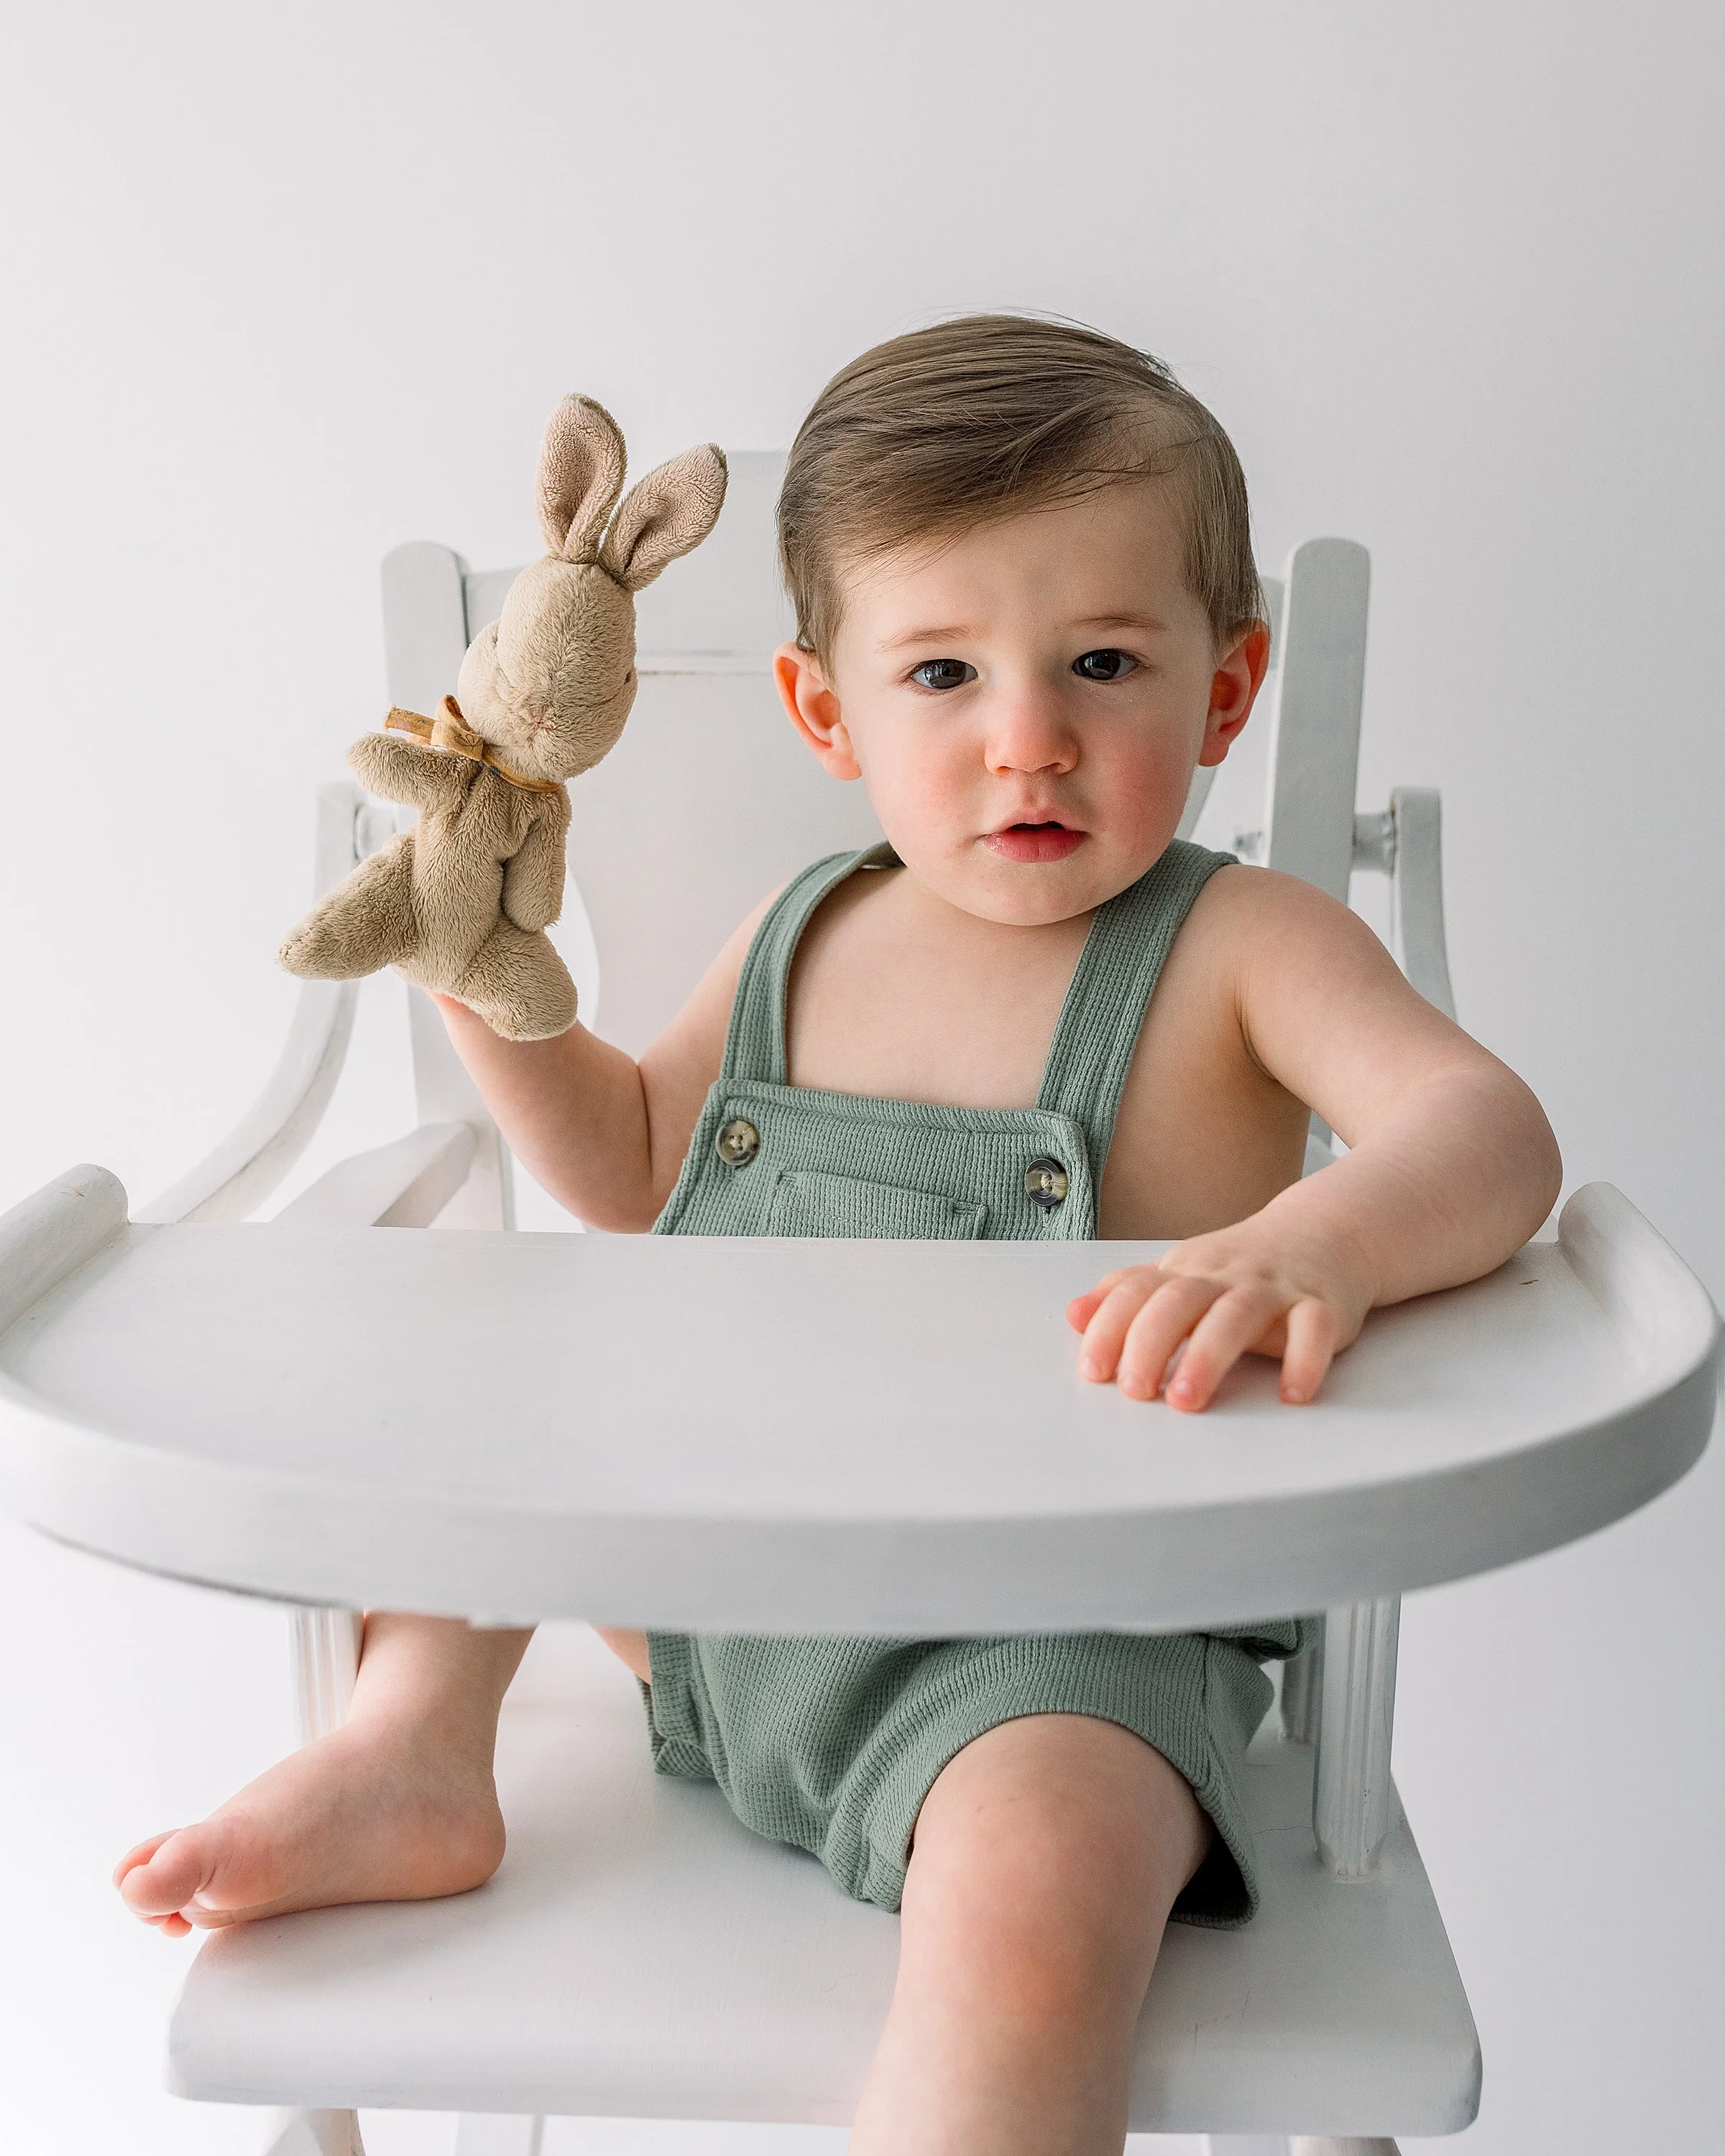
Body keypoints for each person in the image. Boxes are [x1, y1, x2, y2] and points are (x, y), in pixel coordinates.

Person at [115, 315, 1560, 2155]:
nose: (1025, 739)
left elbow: (1485, 1130)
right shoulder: (805, 929)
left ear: (1225, 688)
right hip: (719, 1588)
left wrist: (1319, 1242)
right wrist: (487, 972)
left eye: (1101, 662)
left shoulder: (1245, 946)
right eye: (944, 672)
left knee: (1037, 1906)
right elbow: (634, 1160)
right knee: (510, 1394)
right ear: (828, 712)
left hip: (1057, 1650)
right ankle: (413, 1753)